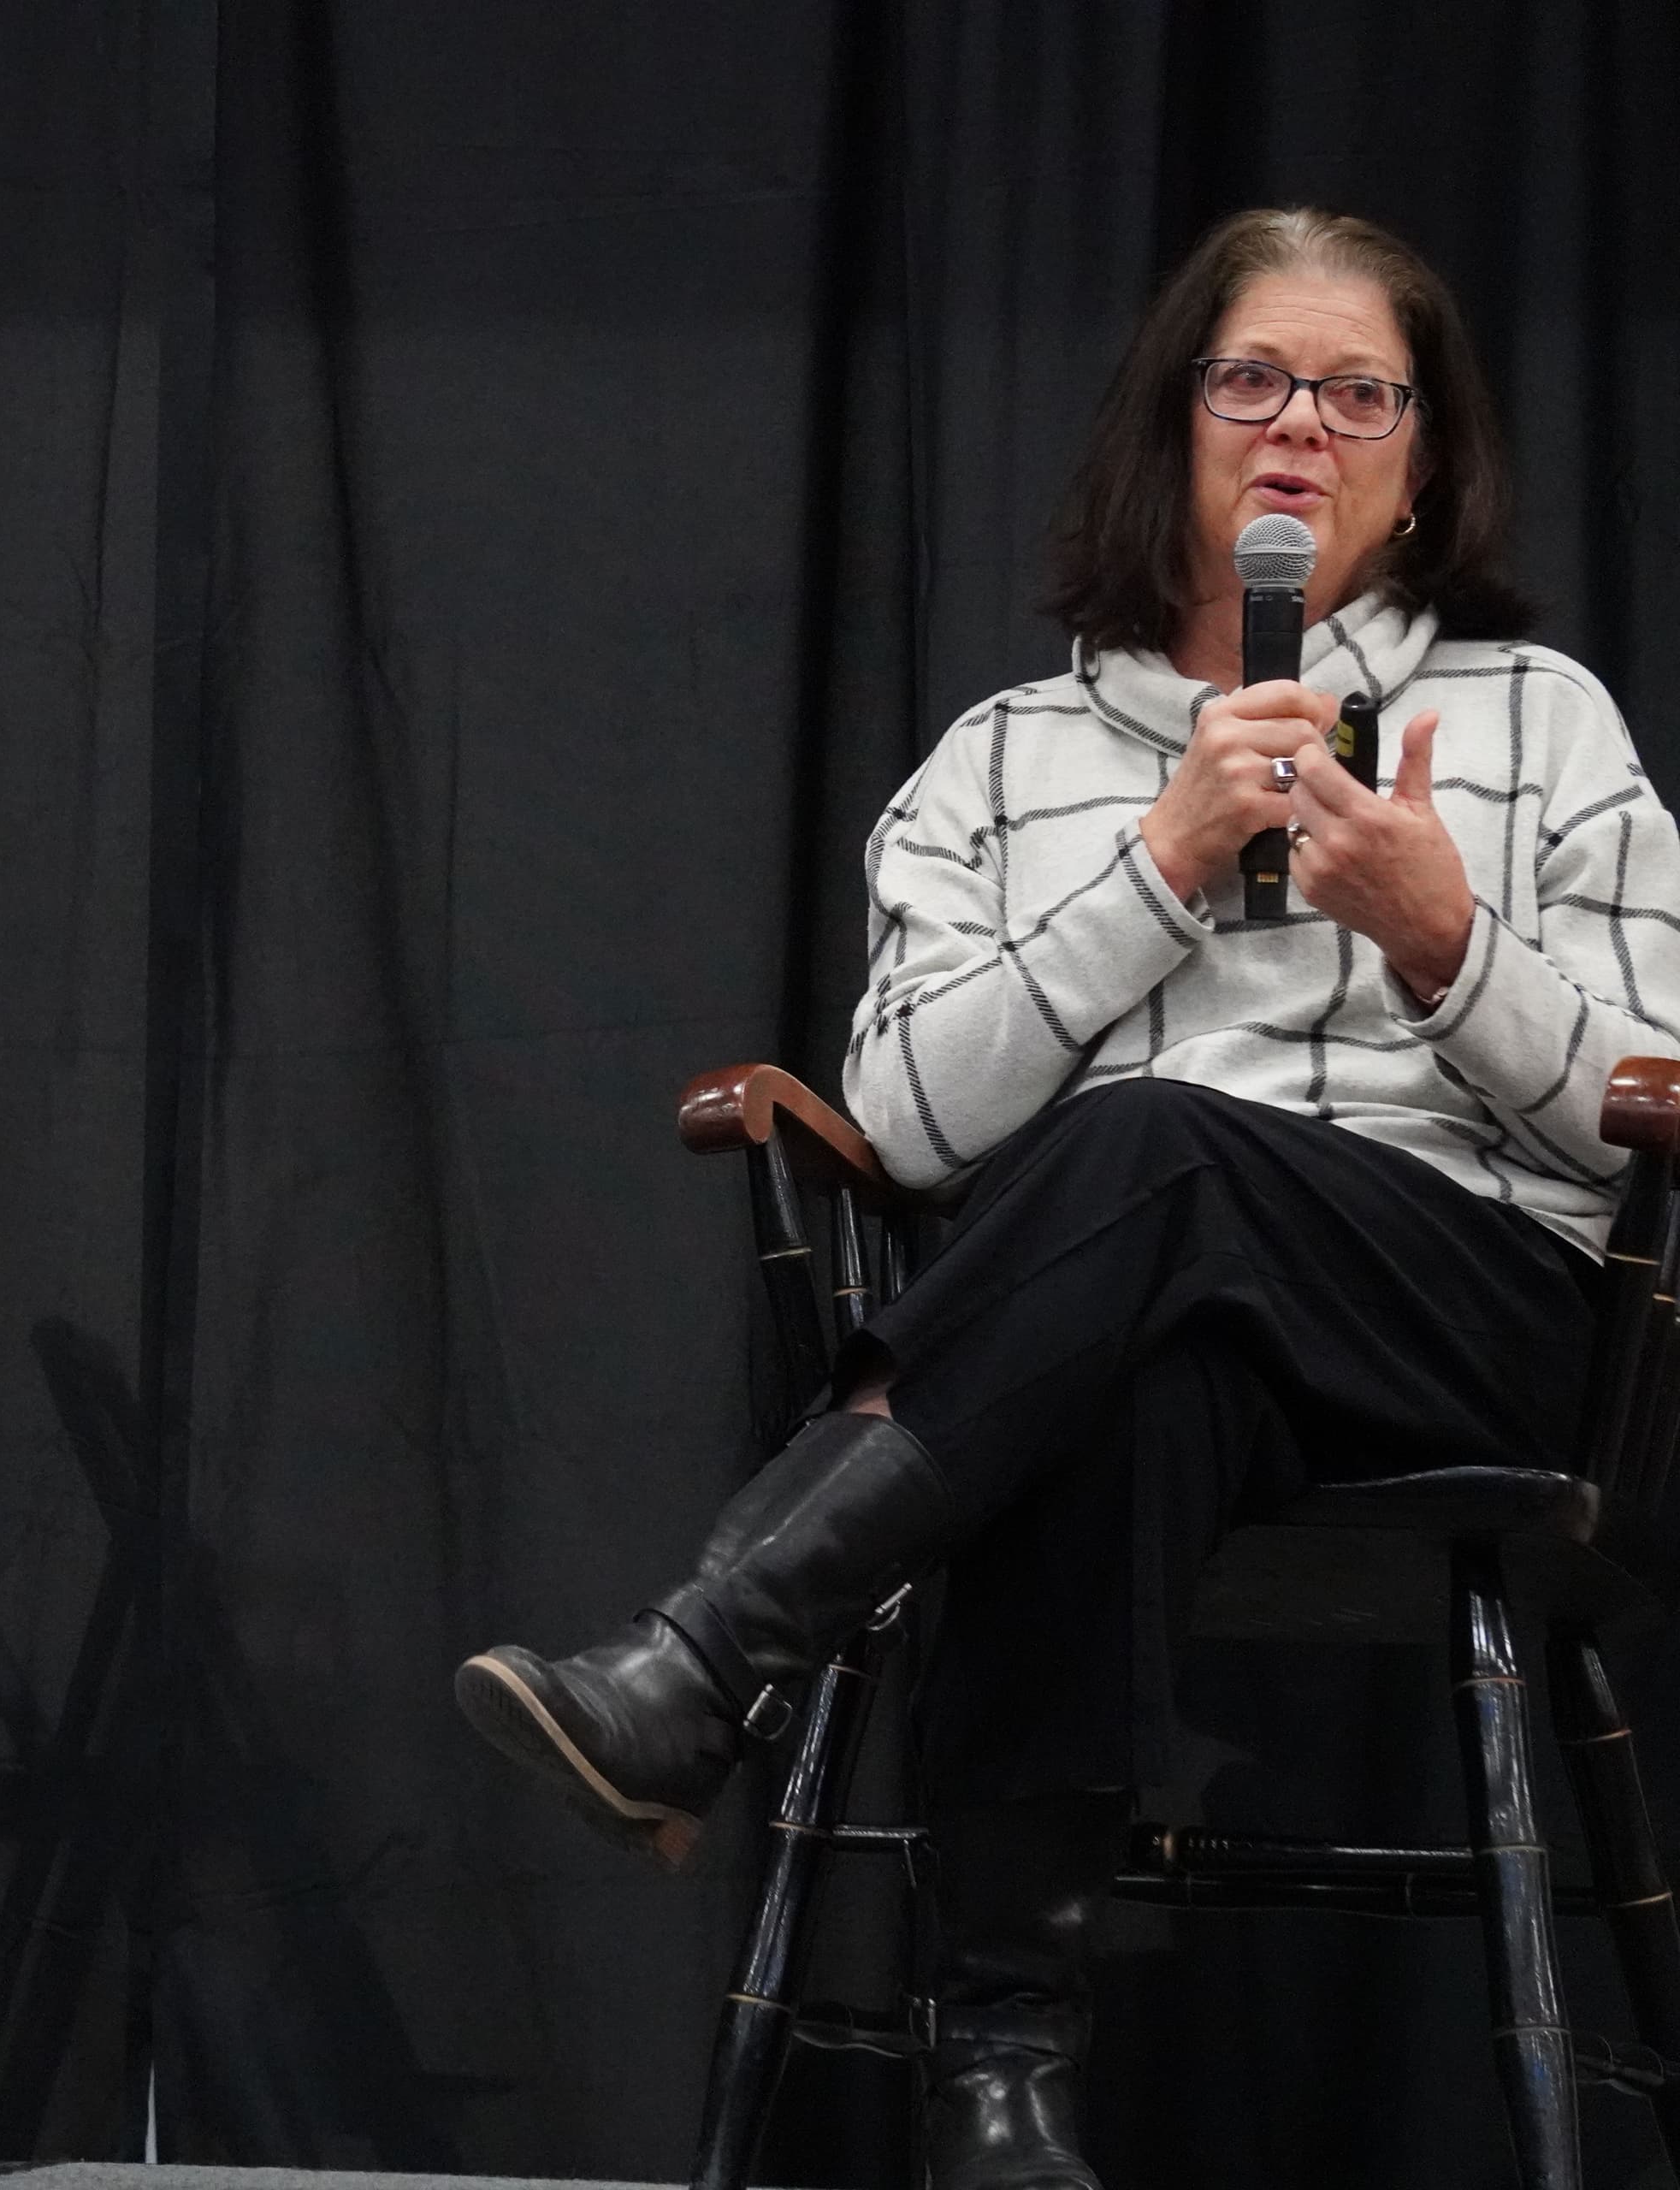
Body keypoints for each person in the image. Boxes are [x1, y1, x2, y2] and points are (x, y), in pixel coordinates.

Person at [456, 206, 1680, 2188]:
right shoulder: (1004, 760)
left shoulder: (1544, 720)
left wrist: (1452, 942)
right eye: (1254, 380)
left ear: (1425, 456)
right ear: (1175, 421)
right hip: (1120, 1344)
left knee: (1148, 1146)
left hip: (1477, 1322)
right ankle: (1003, 2076)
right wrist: (1160, 868)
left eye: (1360, 392)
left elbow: (1651, 1102)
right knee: (1108, 1353)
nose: (1302, 428)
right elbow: (911, 1123)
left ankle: (718, 1650)